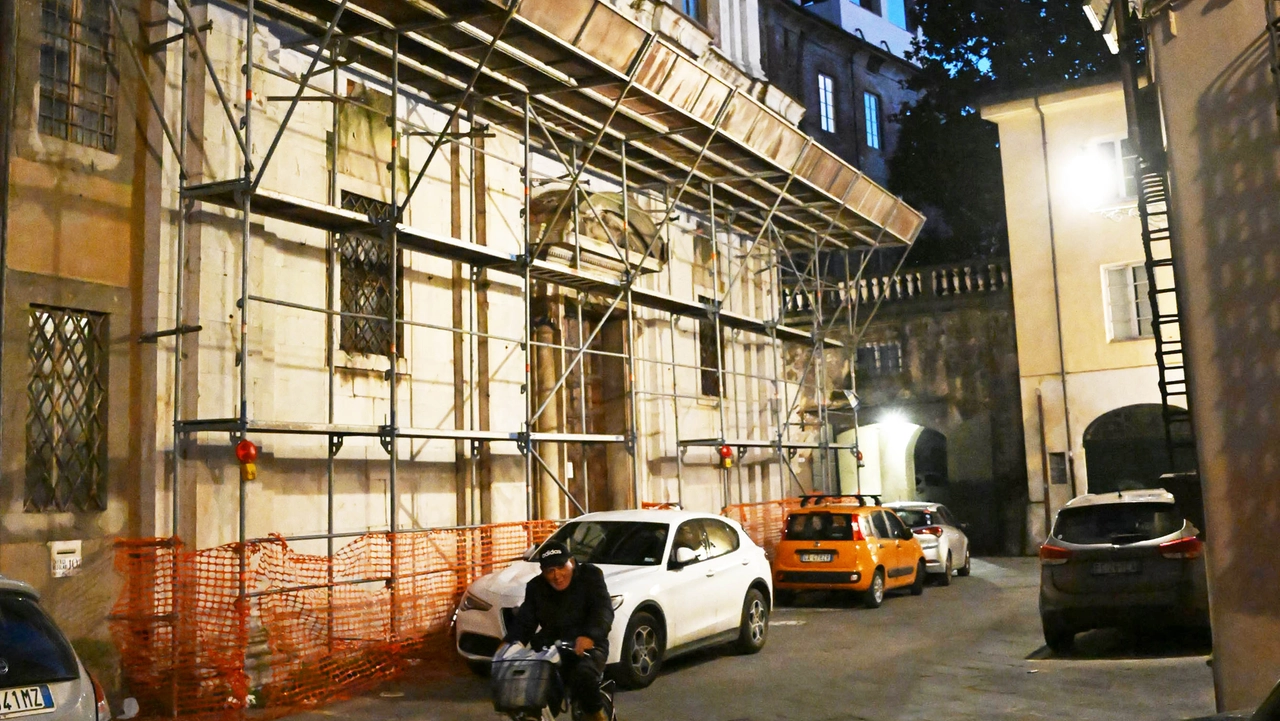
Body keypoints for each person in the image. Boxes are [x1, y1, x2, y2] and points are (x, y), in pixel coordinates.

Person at [500, 540, 614, 721]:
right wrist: (509, 644)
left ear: (572, 563)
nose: (556, 575)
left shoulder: (590, 576)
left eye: (561, 567)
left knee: (583, 676)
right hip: (550, 646)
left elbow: (603, 610)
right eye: (549, 571)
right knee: (533, 686)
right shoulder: (535, 587)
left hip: (587, 645)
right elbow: (526, 620)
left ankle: (597, 715)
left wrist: (590, 635)